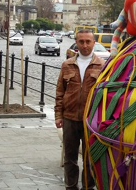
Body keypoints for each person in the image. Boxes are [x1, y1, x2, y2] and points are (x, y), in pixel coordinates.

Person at [54, 30, 105, 190]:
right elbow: (60, 91)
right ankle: (71, 186)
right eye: (81, 41)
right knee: (70, 158)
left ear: (93, 43)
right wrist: (58, 115)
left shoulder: (102, 65)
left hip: (91, 120)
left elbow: (106, 94)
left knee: (90, 158)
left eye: (88, 41)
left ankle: (88, 187)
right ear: (76, 42)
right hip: (69, 118)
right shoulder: (67, 64)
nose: (84, 45)